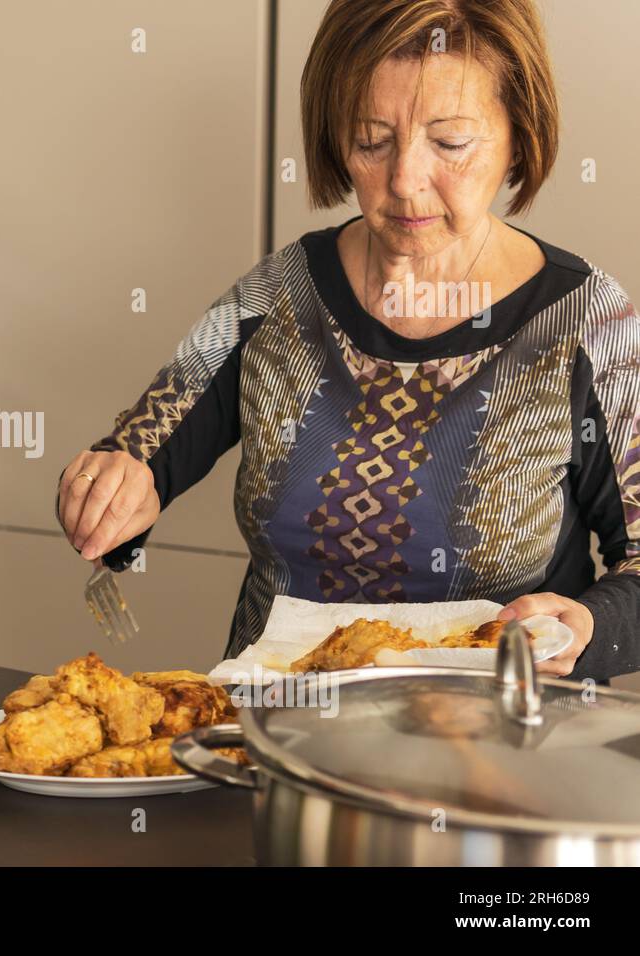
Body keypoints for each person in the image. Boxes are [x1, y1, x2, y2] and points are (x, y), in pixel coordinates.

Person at [56, 0, 640, 681]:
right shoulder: (276, 294)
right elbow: (144, 446)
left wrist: (590, 627)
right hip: (275, 746)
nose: (404, 181)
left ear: (519, 133)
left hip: (493, 760)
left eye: (450, 143)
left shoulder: (589, 324)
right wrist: (111, 488)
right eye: (372, 141)